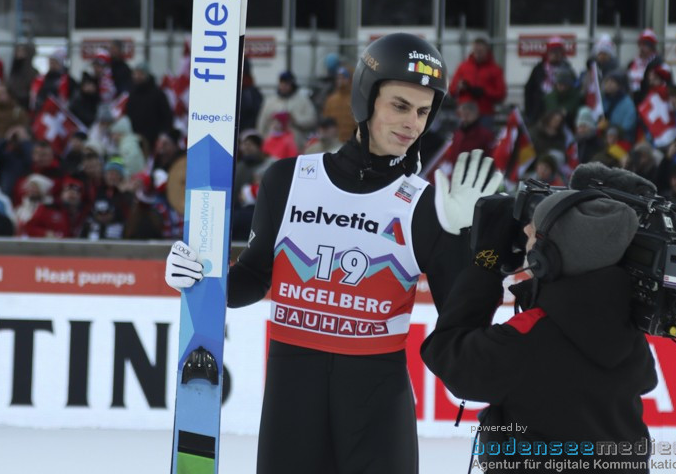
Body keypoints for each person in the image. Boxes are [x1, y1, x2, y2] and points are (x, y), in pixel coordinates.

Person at [164, 33, 502, 474]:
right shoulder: (288, 180)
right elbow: (253, 276)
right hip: (292, 391)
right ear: (365, 99)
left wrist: (467, 243)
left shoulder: (425, 204)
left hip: (378, 400)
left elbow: (460, 317)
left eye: (423, 111)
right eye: (399, 105)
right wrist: (202, 280)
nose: (413, 124)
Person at [421, 164, 657, 471]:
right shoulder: (623, 324)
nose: (525, 232)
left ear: (552, 257)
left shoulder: (529, 339)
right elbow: (645, 378)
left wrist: (485, 265)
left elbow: (447, 353)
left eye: (536, 231)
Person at [449, 37, 506, 125]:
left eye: (481, 51)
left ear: (487, 51)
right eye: (476, 51)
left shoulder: (495, 70)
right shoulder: (463, 67)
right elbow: (452, 90)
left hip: (485, 113)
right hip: (465, 113)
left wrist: (484, 92)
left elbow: (501, 94)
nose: (478, 54)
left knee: (484, 137)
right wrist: (460, 88)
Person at [523, 37, 576, 123]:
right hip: (539, 111)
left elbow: (574, 90)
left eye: (558, 51)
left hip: (560, 111)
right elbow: (528, 90)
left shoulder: (567, 69)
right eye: (552, 51)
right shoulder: (538, 69)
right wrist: (529, 113)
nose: (555, 54)